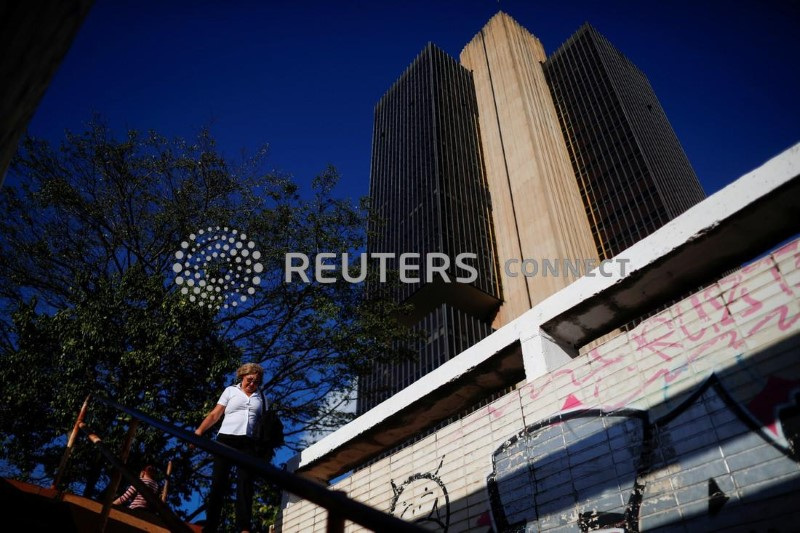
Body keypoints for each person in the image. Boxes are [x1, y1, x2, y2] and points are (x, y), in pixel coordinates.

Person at [194, 362, 266, 533]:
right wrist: (198, 432)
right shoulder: (230, 391)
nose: (252, 384)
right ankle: (211, 525)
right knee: (219, 483)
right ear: (242, 376)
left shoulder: (262, 398)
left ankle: (244, 527)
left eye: (256, 382)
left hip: (248, 443)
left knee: (245, 484)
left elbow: (264, 424)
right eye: (250, 380)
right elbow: (214, 414)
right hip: (226, 439)